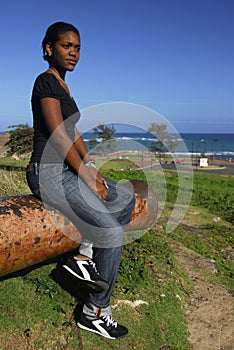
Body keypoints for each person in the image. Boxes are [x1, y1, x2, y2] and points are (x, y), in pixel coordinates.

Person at [26, 21, 135, 340]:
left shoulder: (64, 86)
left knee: (126, 198)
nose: (73, 53)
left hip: (68, 170)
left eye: (77, 48)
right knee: (112, 232)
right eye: (66, 46)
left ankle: (85, 254)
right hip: (47, 173)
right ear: (49, 48)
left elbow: (74, 133)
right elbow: (59, 135)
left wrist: (91, 167)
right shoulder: (44, 82)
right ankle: (96, 312)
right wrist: (86, 176)